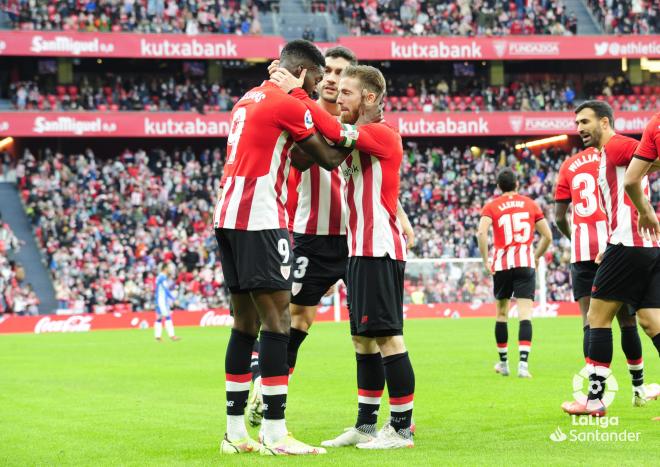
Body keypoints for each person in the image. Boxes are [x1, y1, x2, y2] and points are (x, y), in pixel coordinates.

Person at [215, 39, 351, 456]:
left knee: (243, 326)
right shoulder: (289, 101)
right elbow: (330, 150)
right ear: (306, 73)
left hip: (227, 215)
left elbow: (301, 153)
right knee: (277, 324)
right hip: (260, 217)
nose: (319, 87)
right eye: (318, 77)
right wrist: (356, 129)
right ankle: (275, 433)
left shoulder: (246, 99)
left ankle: (235, 434)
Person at [271, 64, 416, 449]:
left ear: (369, 98)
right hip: (360, 249)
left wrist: (298, 94)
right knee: (362, 340)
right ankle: (366, 425)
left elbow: (333, 130)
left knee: (388, 339)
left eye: (346, 94)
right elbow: (325, 139)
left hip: (378, 248)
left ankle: (401, 428)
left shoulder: (382, 134)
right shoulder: (363, 137)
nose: (338, 100)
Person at [562, 102, 660, 417]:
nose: (579, 128)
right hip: (645, 245)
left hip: (629, 244)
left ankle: (593, 401)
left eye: (585, 121)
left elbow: (647, 158)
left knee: (597, 319)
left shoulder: (617, 145)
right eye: (577, 123)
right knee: (650, 322)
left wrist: (645, 212)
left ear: (605, 122)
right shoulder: (609, 155)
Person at [477, 168, 552, 378]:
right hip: (525, 262)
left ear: (499, 186)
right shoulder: (530, 204)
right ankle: (523, 365)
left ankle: (503, 364)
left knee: (501, 314)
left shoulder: (492, 206)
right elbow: (547, 236)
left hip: (502, 264)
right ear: (517, 184)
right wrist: (536, 256)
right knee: (525, 314)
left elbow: (481, 232)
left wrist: (485, 259)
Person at [154, 262, 180, 342]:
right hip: (161, 300)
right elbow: (166, 289)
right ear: (165, 269)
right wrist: (173, 299)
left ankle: (157, 336)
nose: (169, 270)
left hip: (158, 299)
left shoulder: (159, 277)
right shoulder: (163, 277)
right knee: (168, 316)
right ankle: (172, 336)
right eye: (168, 268)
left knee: (159, 318)